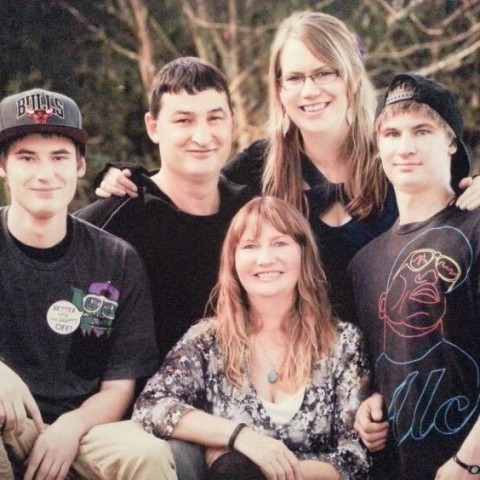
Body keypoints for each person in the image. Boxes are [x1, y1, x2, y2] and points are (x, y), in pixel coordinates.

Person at [93, 11, 480, 324]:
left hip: (404, 358)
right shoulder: (260, 167)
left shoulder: (394, 154)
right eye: (294, 78)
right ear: (278, 89)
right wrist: (124, 176)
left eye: (324, 72)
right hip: (304, 372)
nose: (310, 91)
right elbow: (192, 189)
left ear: (351, 76)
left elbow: (455, 201)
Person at [0, 88, 176, 480]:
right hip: (7, 422)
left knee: (145, 453)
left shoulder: (116, 259)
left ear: (81, 165)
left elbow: (119, 387)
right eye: (27, 158)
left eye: (59, 157)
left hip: (85, 431)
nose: (45, 173)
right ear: (3, 166)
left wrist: (72, 427)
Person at [133, 196, 371, 480]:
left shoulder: (342, 342)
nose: (265, 259)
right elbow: (150, 406)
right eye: (250, 246)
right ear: (232, 261)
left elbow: (356, 458)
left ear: (303, 254)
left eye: (280, 243)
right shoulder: (208, 340)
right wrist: (240, 437)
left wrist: (262, 471)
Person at [76, 57, 253, 362]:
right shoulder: (112, 221)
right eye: (184, 121)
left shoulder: (252, 216)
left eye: (215, 118)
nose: (202, 137)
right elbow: (78, 343)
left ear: (233, 124)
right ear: (153, 127)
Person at [350, 74, 480, 480]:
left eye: (421, 131)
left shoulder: (476, 227)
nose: (405, 147)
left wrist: (469, 461)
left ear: (451, 142)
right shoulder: (363, 264)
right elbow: (391, 365)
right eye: (392, 134)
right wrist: (368, 403)